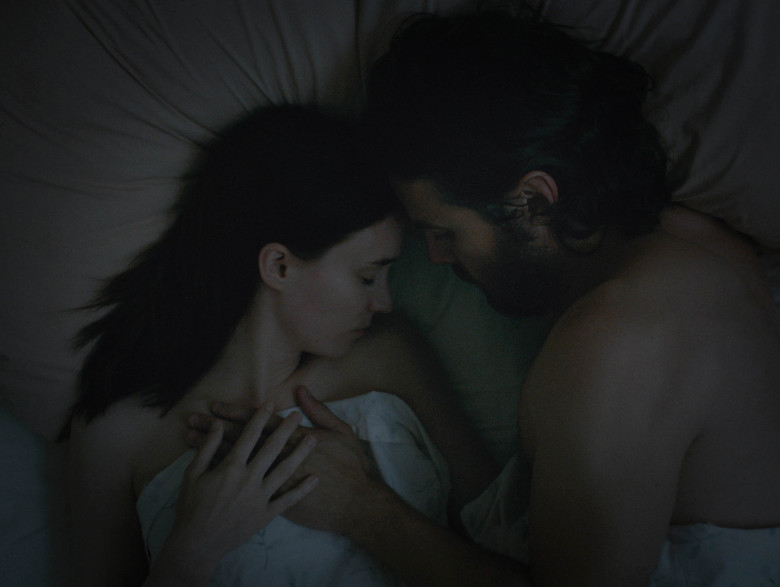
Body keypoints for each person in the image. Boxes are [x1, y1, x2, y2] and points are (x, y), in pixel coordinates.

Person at [189, 8, 780, 586]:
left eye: (445, 232)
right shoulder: (698, 241)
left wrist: (359, 507)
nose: (436, 258)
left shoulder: (615, 343)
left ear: (535, 199)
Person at [67, 104, 497, 586]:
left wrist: (366, 502)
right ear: (279, 266)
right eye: (367, 276)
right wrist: (192, 550)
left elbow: (511, 548)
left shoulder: (391, 355)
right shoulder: (119, 435)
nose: (384, 302)